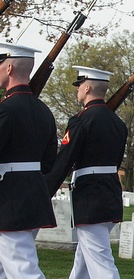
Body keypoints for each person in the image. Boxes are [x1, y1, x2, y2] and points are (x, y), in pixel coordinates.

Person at [45, 66, 127, 279]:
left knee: (100, 262)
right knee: (83, 261)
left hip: (91, 197)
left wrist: (43, 191)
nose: (77, 90)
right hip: (110, 193)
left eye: (79, 85)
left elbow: (65, 159)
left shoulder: (81, 120)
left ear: (88, 87)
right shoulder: (118, 123)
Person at [0, 43, 57, 279]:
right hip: (33, 193)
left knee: (23, 269)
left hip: (10, 199)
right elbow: (48, 162)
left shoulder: (6, 110)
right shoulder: (44, 111)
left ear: (10, 67)